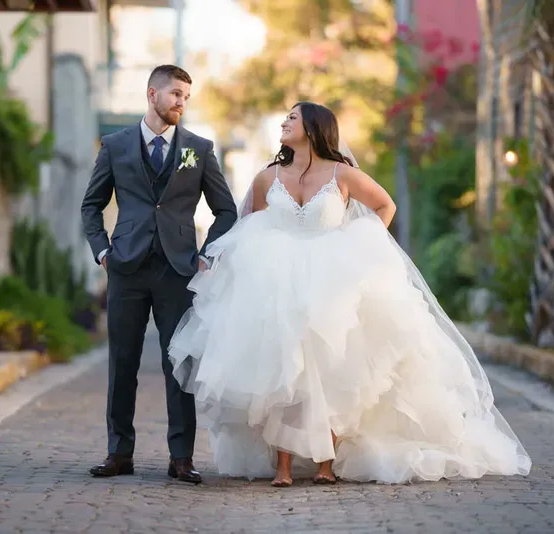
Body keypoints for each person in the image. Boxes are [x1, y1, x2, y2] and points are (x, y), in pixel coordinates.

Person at [168, 101, 532, 487]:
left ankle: (327, 461)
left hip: (331, 276)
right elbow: (251, 224)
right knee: (282, 365)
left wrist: (360, 245)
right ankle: (283, 466)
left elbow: (384, 205)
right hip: (276, 280)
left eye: (293, 117)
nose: (285, 122)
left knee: (334, 365)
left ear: (312, 127)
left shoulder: (342, 173)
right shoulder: (267, 177)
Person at [81, 64, 237, 484]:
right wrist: (102, 253)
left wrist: (206, 256)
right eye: (176, 95)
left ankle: (181, 457)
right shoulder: (114, 145)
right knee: (122, 363)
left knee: (178, 365)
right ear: (153, 94)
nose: (182, 103)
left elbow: (226, 211)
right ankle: (119, 453)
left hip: (178, 270)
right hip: (126, 268)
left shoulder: (199, 149)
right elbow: (90, 205)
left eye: (187, 96)